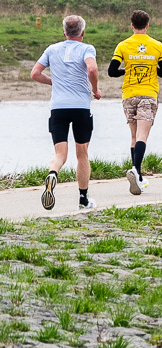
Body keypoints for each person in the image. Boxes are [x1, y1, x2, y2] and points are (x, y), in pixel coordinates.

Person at [34, 14, 100, 212]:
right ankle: (83, 199)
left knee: (60, 154)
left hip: (58, 108)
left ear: (64, 32)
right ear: (83, 32)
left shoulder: (52, 49)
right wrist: (95, 90)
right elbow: (92, 69)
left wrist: (54, 82)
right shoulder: (87, 48)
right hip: (81, 108)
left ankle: (52, 174)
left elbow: (35, 73)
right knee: (82, 154)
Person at [109, 9, 162, 195]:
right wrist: (150, 66)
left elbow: (111, 71)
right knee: (143, 136)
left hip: (129, 95)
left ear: (132, 25)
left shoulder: (123, 45)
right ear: (147, 25)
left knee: (134, 136)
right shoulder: (157, 46)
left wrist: (127, 70)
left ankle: (139, 177)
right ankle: (135, 170)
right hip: (148, 94)